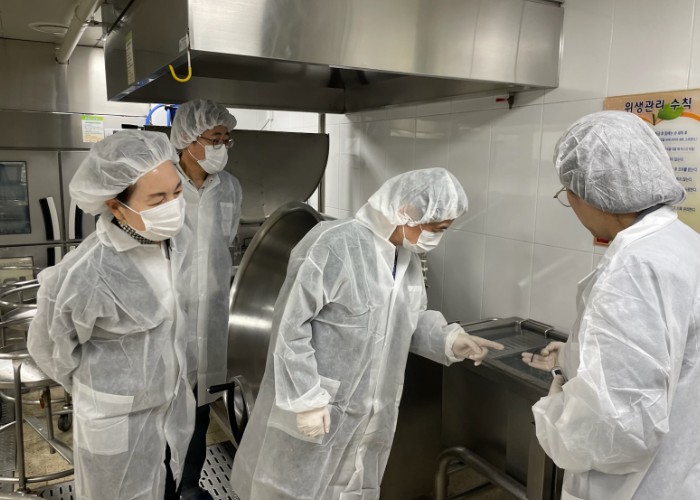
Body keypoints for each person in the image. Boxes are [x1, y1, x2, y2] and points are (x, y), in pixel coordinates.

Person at [230, 167, 504, 499]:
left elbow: (408, 320)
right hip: (318, 409)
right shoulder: (333, 244)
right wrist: (306, 399)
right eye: (437, 229)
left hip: (369, 417)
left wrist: (450, 340)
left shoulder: (406, 260)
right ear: (407, 212)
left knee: (353, 488)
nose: (436, 238)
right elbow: (290, 325)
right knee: (293, 491)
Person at [522, 111, 700, 500]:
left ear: (589, 192)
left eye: (568, 192)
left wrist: (556, 408)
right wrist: (575, 353)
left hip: (635, 487)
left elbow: (616, 434)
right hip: (682, 471)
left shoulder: (633, 267)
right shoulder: (684, 242)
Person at [27, 130, 196, 499]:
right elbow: (51, 348)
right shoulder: (85, 272)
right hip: (115, 418)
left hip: (169, 410)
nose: (173, 207)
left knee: (167, 485)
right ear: (117, 207)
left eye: (177, 192)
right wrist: (106, 390)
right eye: (157, 199)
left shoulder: (176, 242)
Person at [166, 99, 242, 500]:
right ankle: (161, 488)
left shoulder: (229, 187)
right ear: (187, 139)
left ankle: (189, 486)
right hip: (168, 316)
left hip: (209, 314)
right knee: (165, 408)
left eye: (226, 139)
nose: (221, 147)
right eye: (214, 138)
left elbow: (223, 246)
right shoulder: (161, 184)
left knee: (198, 405)